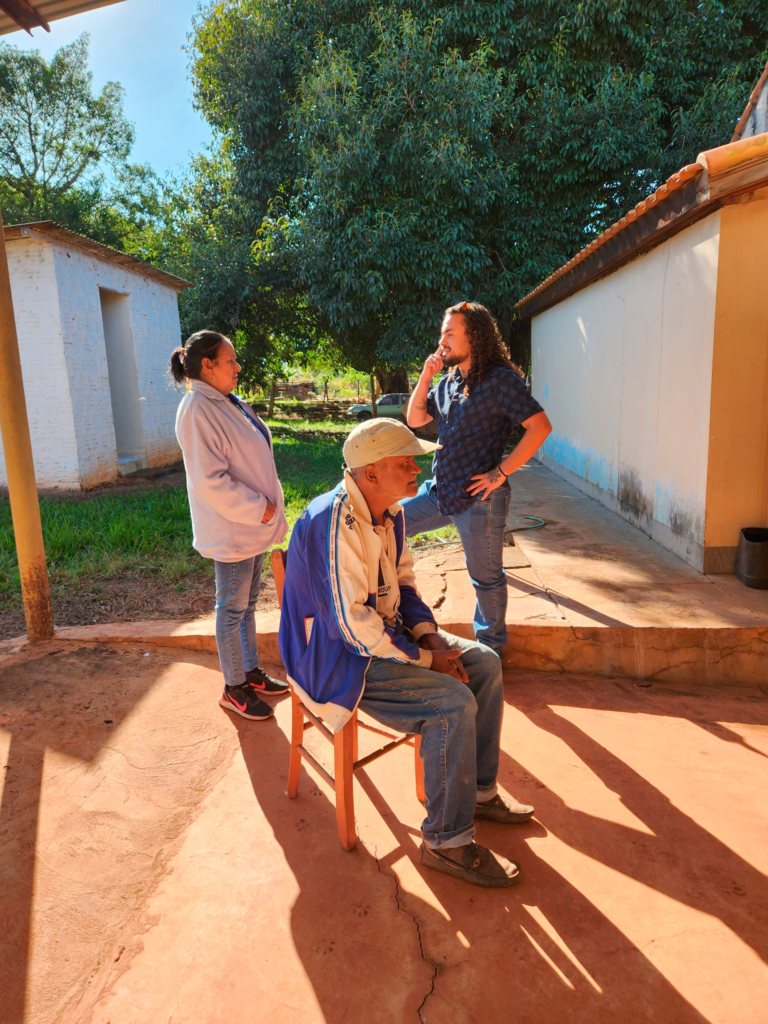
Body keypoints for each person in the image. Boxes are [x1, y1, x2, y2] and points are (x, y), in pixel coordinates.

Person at [278, 418, 535, 888]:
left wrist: (430, 638)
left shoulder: (390, 512)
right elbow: (350, 629)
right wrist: (425, 660)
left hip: (380, 637)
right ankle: (446, 842)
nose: (419, 469)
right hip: (337, 660)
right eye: (406, 462)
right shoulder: (331, 523)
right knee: (451, 706)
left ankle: (477, 792)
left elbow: (405, 584)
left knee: (484, 664)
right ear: (370, 473)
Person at [404, 301, 552, 652]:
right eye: (442, 334)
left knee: (485, 580)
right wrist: (426, 375)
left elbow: (540, 427)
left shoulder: (501, 381)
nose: (442, 342)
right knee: (391, 522)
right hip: (441, 492)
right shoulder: (449, 382)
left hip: (480, 500)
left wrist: (500, 473)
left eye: (450, 334)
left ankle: (492, 652)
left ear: (474, 336)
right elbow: (415, 419)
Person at [171, 330, 289, 721]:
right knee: (231, 609)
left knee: (247, 604)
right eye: (230, 360)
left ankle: (250, 672)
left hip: (251, 526)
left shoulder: (225, 401)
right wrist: (261, 509)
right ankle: (233, 687)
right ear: (207, 366)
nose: (238, 367)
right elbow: (210, 480)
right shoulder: (197, 409)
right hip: (235, 526)